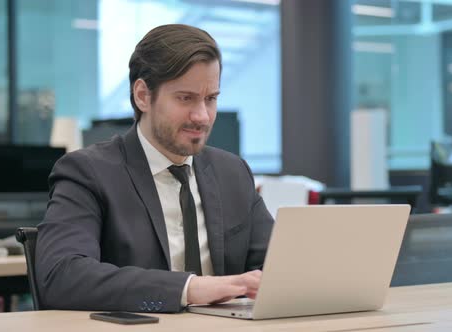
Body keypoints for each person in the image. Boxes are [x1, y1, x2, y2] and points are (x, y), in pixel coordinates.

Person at [35, 24, 274, 313]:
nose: (202, 116)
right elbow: (61, 277)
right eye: (185, 98)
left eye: (210, 98)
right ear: (143, 96)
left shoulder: (232, 172)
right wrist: (189, 289)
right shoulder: (87, 172)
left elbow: (279, 267)